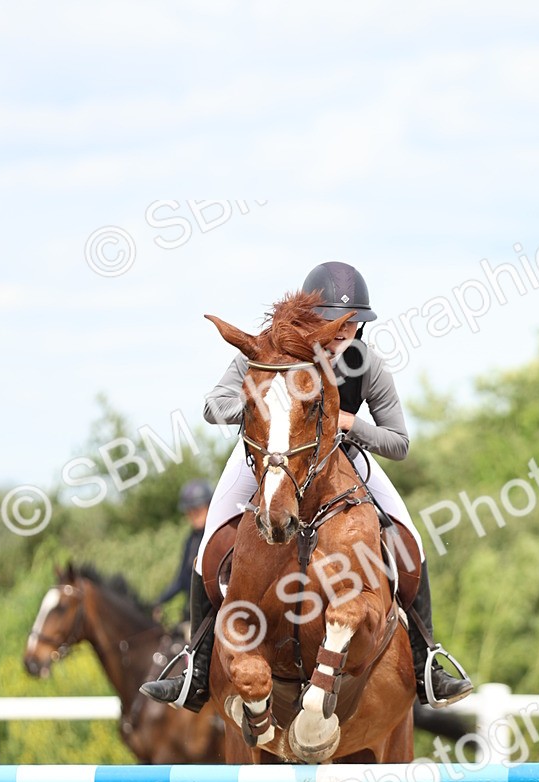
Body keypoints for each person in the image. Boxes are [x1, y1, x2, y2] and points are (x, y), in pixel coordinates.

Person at [141, 262, 472, 711]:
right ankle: (196, 668)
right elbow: (212, 407)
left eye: (351, 325)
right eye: (330, 325)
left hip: (344, 462)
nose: (341, 336)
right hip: (266, 463)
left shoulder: (366, 364)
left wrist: (351, 424)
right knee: (207, 549)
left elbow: (398, 442)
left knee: (408, 538)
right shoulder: (265, 351)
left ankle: (425, 658)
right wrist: (265, 408)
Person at [150, 479, 213, 630]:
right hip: (193, 614)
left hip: (214, 612)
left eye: (197, 509)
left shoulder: (215, 537)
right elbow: (181, 581)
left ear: (209, 506)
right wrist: (158, 602)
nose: (193, 514)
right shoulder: (190, 540)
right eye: (189, 510)